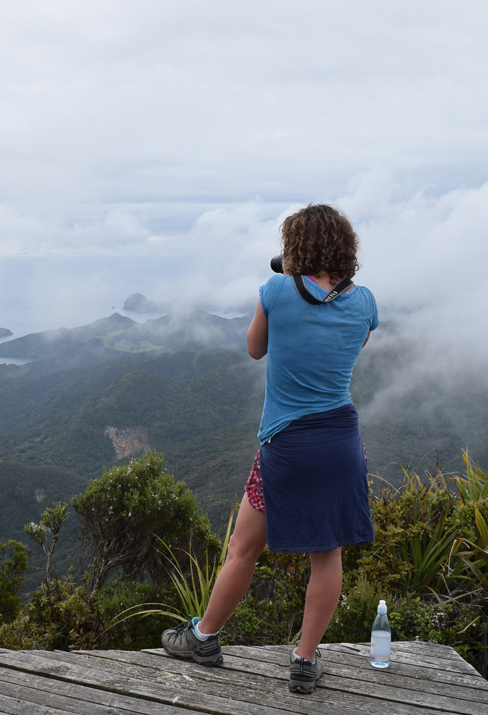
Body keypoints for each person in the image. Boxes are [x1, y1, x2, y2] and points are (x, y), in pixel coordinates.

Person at [161, 204, 378, 694]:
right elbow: (348, 348)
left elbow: (255, 347)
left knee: (243, 548)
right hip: (342, 444)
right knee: (327, 556)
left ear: (293, 247)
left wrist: (287, 286)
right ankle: (304, 661)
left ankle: (204, 638)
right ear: (346, 250)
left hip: (286, 445)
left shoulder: (277, 290)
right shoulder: (365, 302)